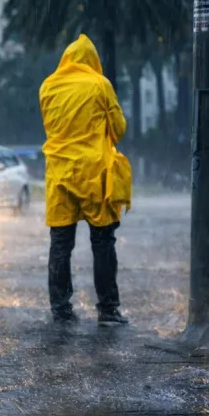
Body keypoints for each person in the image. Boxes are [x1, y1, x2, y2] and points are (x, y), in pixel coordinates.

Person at [39, 34, 133, 326]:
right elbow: (118, 130)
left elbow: (52, 126)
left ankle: (61, 309)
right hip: (95, 175)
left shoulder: (47, 86)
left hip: (59, 176)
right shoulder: (100, 84)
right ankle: (107, 310)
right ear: (93, 61)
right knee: (103, 243)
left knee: (60, 244)